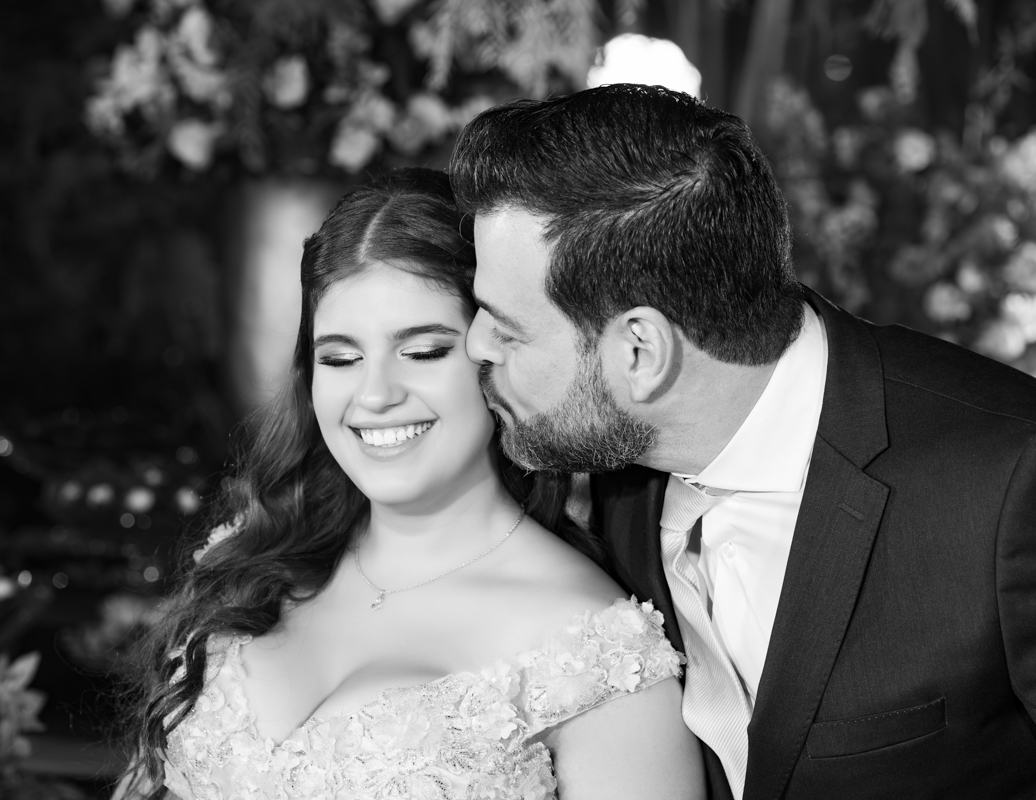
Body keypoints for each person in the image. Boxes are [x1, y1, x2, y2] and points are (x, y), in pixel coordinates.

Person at [447, 84, 1036, 800]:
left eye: (508, 329)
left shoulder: (1028, 485)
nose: (475, 346)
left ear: (641, 352)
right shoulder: (620, 459)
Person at [115, 169, 705, 800]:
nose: (375, 395)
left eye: (422, 352)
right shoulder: (254, 555)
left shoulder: (598, 653)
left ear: (496, 354)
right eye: (340, 358)